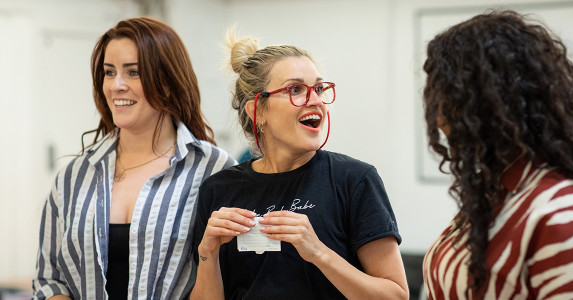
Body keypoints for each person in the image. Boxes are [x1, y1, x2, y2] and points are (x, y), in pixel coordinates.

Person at [189, 30, 409, 300]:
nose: (316, 101)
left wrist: (318, 252)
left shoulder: (354, 180)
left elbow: (396, 296)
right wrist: (207, 252)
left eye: (318, 89)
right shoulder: (218, 189)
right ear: (257, 111)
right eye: (296, 90)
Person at [32, 17, 236, 299]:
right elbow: (48, 280)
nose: (116, 85)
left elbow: (231, 280)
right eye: (109, 72)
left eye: (133, 73)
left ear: (167, 81)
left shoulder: (213, 169)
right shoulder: (74, 176)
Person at [421, 10, 573, 299]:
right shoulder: (496, 195)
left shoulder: (560, 211)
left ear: (489, 102)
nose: (437, 117)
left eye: (444, 96)